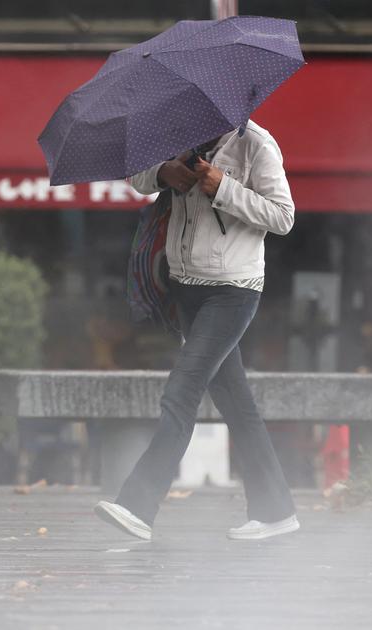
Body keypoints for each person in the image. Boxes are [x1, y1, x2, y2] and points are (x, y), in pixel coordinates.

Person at [94, 119, 300, 541]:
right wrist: (162, 172)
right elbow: (137, 177)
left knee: (182, 390)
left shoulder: (255, 144)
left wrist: (223, 186)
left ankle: (138, 504)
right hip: (186, 287)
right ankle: (276, 510)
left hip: (234, 290)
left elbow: (283, 216)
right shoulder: (175, 134)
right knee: (237, 406)